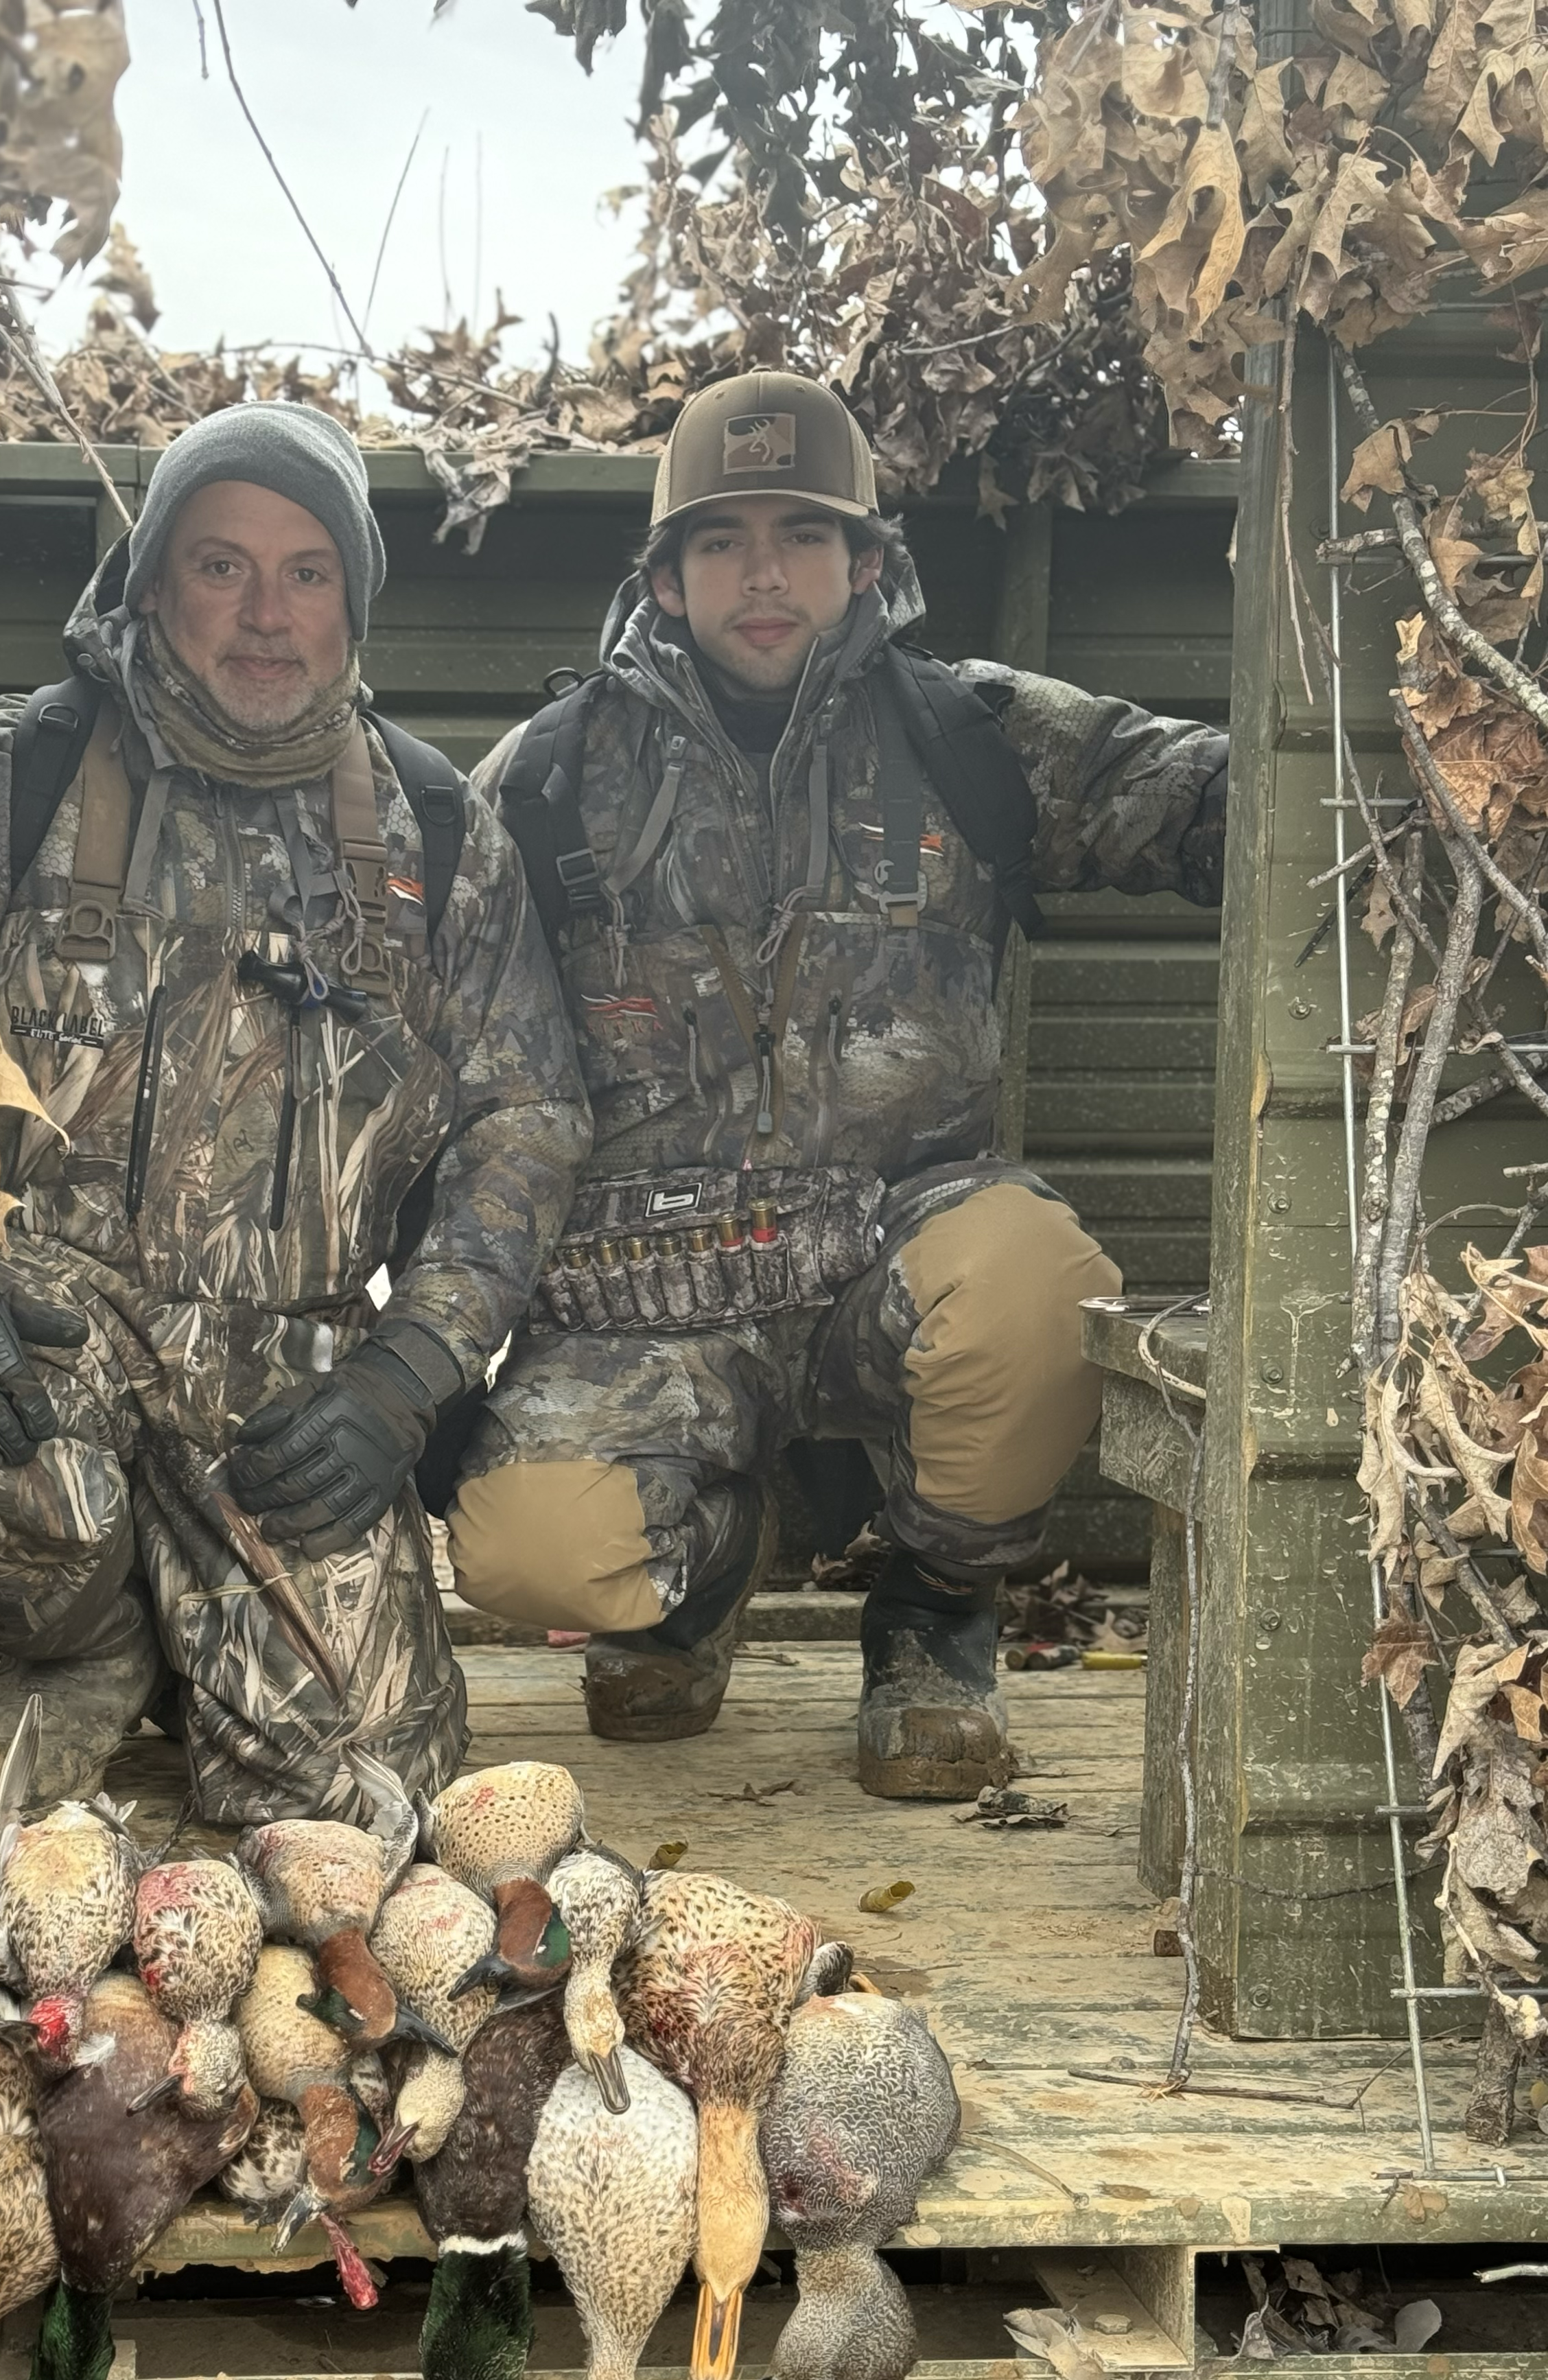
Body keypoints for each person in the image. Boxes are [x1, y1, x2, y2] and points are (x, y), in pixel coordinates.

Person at [446, 370, 1227, 1800]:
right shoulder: (547, 779)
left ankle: (933, 1617)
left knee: (1035, 1285)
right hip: (656, 1293)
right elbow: (435, 1031)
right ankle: (694, 1587)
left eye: (801, 536)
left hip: (894, 1256)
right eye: (721, 540)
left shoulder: (966, 736)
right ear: (666, 579)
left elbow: (1208, 796)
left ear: (866, 564)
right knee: (521, 1543)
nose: (763, 573)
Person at [0, 403, 589, 1828]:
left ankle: (195, 1637)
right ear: (153, 579)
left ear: (352, 600)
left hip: (286, 1354)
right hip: (44, 1318)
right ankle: (85, 1647)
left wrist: (399, 1381)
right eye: (221, 565)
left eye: (307, 572)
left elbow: (525, 1124)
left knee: (357, 1797)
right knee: (26, 1487)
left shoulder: (438, 834)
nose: (266, 614)